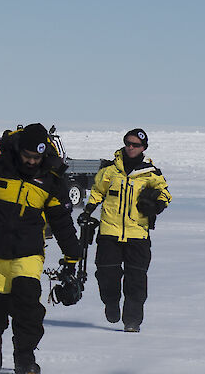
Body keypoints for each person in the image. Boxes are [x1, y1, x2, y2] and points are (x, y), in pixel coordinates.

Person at [0, 123, 82, 374]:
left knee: (28, 306)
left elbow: (60, 220)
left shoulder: (50, 180)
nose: (31, 162)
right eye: (27, 156)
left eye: (36, 157)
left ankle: (24, 358)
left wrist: (73, 254)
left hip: (28, 253)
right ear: (18, 150)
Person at [76, 128, 171, 332]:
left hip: (138, 235)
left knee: (136, 279)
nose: (130, 147)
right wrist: (88, 210)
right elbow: (97, 192)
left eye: (135, 144)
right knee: (106, 274)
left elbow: (165, 195)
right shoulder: (110, 170)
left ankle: (132, 321)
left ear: (143, 148)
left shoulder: (151, 173)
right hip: (109, 232)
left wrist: (157, 206)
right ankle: (111, 303)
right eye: (128, 143)